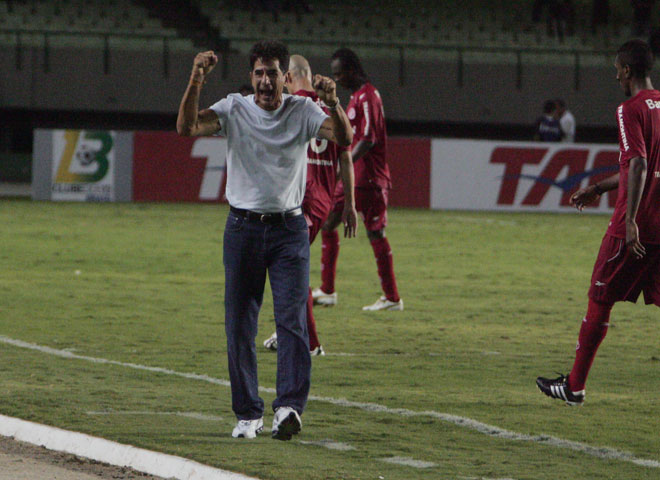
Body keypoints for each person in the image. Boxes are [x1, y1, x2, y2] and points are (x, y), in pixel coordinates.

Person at [176, 40, 353, 439]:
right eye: (259, 73)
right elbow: (187, 127)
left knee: (292, 321)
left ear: (284, 77)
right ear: (251, 77)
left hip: (289, 229)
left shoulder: (303, 110)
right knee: (239, 325)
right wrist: (196, 80)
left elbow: (344, 137)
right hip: (242, 229)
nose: (265, 80)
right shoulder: (234, 108)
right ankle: (248, 414)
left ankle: (288, 408)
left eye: (273, 72)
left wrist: (334, 103)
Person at [537, 39, 660, 405]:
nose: (615, 74)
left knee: (599, 298)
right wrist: (599, 188)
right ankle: (573, 385)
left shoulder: (629, 109)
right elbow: (646, 169)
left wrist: (632, 220)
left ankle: (574, 387)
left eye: (616, 68)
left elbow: (638, 164)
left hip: (632, 227)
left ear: (626, 70)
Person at [262, 54, 358, 355]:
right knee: (287, 263)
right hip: (324, 199)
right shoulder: (327, 108)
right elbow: (345, 153)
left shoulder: (293, 106)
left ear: (287, 78)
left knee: (290, 266)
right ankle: (289, 330)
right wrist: (349, 204)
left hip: (301, 197)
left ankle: (311, 343)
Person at [312, 48, 403, 312]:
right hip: (364, 179)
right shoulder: (357, 98)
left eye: (340, 74)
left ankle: (389, 297)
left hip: (368, 179)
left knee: (342, 225)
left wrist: (344, 165)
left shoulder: (367, 96)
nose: (337, 79)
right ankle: (388, 296)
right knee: (337, 224)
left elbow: (369, 138)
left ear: (352, 70)